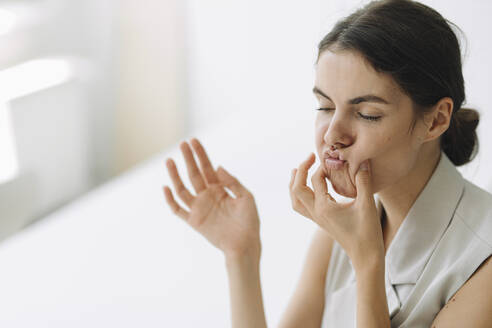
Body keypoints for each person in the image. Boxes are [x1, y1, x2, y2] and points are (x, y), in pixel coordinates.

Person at [162, 0, 492, 327]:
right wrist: (241, 256)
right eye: (324, 106)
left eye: (367, 114)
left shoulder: (483, 259)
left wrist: (367, 264)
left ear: (436, 120)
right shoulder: (341, 225)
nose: (333, 135)